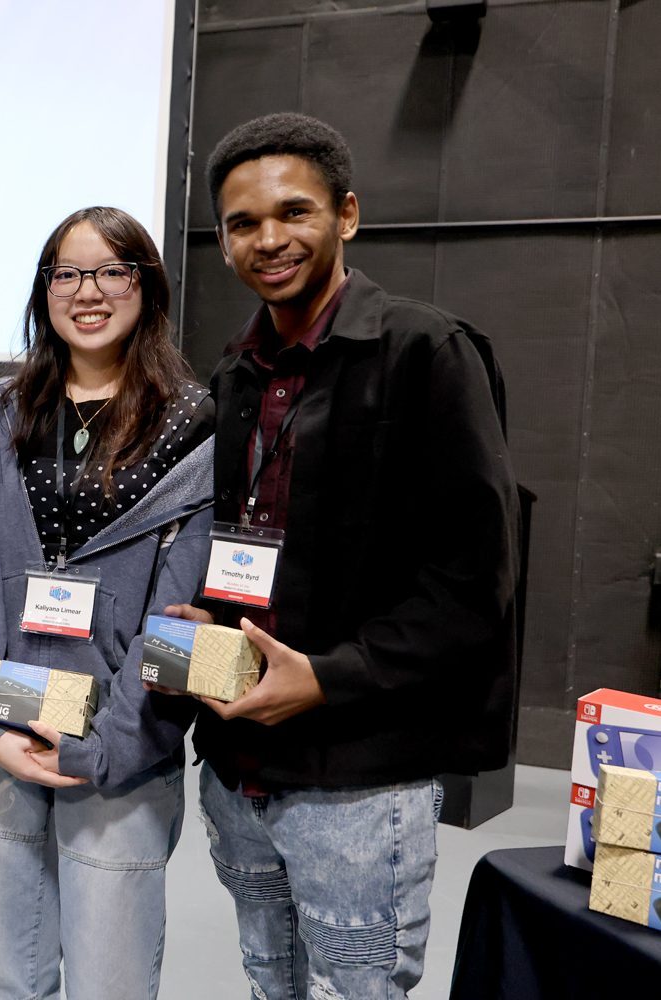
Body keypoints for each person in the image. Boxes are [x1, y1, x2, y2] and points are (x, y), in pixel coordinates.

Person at [179, 112, 519, 999]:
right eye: (244, 223)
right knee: (269, 980)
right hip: (237, 769)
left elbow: (473, 587)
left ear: (349, 216)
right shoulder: (234, 375)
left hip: (358, 784)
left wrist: (328, 678)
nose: (270, 239)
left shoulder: (425, 353)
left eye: (295, 212)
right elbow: (246, 547)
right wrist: (205, 622)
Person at [0, 206, 216, 1000]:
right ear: (44, 289)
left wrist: (109, 745)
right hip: (3, 740)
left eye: (111, 271)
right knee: (3, 983)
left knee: (110, 988)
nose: (87, 291)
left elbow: (178, 612)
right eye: (67, 273)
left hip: (122, 755)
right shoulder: (0, 415)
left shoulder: (192, 426)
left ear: (145, 284)